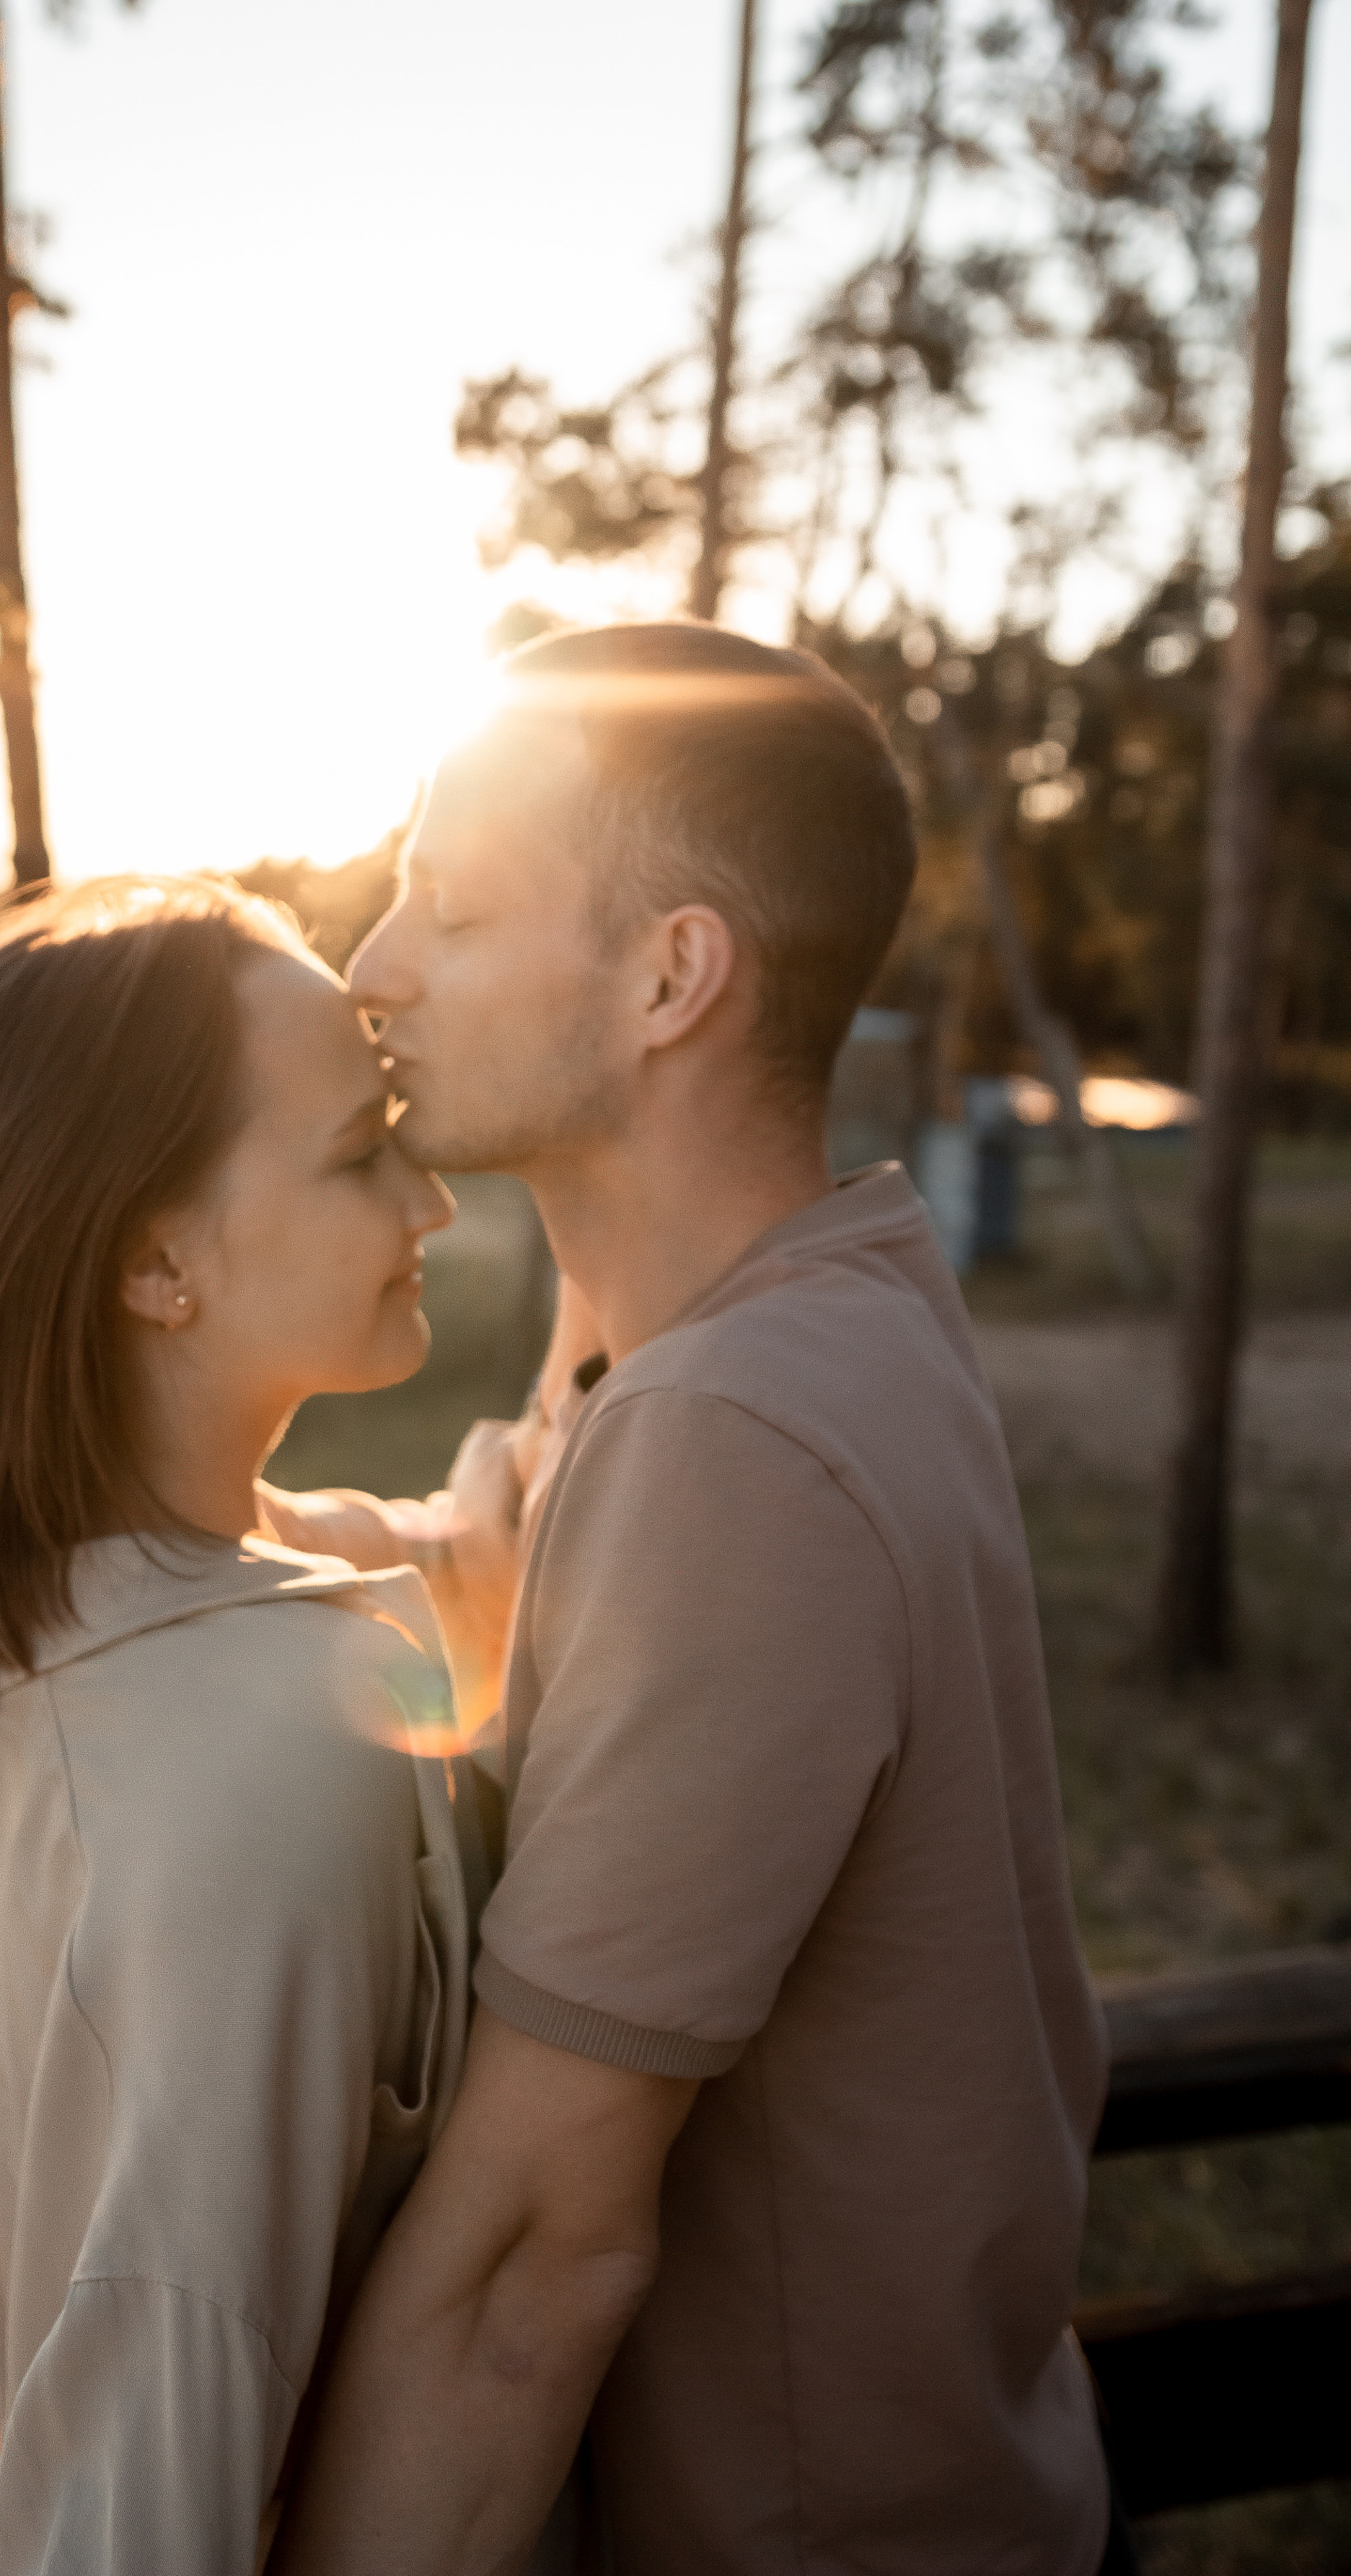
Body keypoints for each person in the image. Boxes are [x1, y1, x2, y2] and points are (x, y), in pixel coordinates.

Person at [276, 621, 1120, 2576]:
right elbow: (502, 1573)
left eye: (449, 910)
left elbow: (531, 2267)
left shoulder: (732, 1431)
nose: (372, 969)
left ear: (671, 977)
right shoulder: (791, 1308)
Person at [0, 877, 493, 2575]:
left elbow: (404, 1550)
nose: (433, 1199)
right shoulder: (264, 1761)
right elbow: (148, 2473)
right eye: (360, 1152)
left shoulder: (63, 1610)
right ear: (154, 1263)